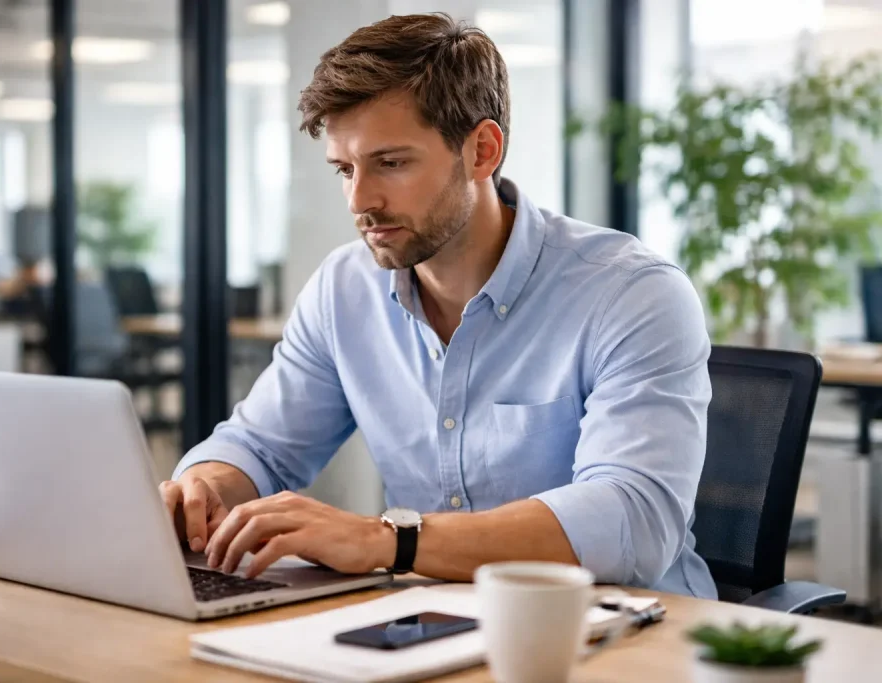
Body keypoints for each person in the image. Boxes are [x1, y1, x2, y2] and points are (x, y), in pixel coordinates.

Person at [159, 12, 716, 599]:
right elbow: (260, 446)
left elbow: (632, 521)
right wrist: (204, 486)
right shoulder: (343, 290)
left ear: (482, 150)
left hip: (625, 630)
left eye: (391, 163)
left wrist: (389, 541)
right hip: (439, 622)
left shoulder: (630, 294)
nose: (360, 200)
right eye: (345, 169)